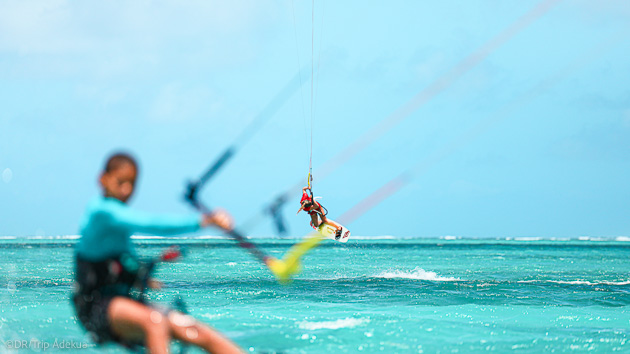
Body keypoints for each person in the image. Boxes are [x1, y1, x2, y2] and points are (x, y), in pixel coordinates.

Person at [72, 152, 243, 354]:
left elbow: (122, 264)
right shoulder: (101, 212)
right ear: (103, 179)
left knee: (196, 331)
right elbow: (147, 222)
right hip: (96, 307)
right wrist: (203, 221)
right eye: (120, 182)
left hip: (127, 302)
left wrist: (143, 276)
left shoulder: (118, 228)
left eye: (132, 183)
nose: (127, 189)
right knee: (154, 322)